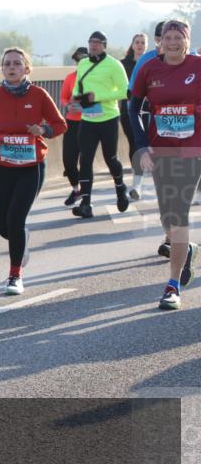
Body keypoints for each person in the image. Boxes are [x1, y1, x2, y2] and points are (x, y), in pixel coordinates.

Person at [0, 48, 67, 295]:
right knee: (4, 227)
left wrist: (42, 130)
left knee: (15, 218)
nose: (12, 67)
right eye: (7, 64)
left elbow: (60, 124)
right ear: (2, 69)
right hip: (2, 168)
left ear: (27, 68)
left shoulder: (39, 95)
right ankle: (22, 236)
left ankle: (15, 276)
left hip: (31, 168)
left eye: (17, 64)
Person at [128, 20, 201, 309]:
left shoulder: (198, 66)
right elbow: (133, 108)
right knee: (167, 217)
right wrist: (142, 145)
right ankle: (187, 249)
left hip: (192, 150)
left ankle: (172, 286)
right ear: (160, 42)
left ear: (187, 41)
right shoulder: (148, 68)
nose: (172, 42)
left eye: (178, 37)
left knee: (179, 213)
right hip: (160, 150)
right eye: (168, 37)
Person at [70, 31, 130, 219]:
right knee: (85, 159)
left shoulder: (114, 64)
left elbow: (124, 91)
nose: (93, 45)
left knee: (110, 158)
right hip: (88, 118)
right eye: (91, 42)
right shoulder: (83, 63)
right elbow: (78, 86)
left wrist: (98, 97)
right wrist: (76, 97)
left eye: (97, 42)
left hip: (108, 118)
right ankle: (86, 203)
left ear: (104, 45)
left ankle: (120, 188)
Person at [120, 33, 149, 199]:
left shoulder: (151, 62)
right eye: (137, 42)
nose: (139, 45)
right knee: (134, 143)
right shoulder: (123, 64)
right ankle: (137, 181)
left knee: (147, 144)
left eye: (143, 42)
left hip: (149, 109)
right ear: (132, 45)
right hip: (129, 110)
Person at [60, 47, 88, 206]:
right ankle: (76, 189)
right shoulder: (70, 78)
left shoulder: (96, 78)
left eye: (84, 59)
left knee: (85, 161)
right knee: (68, 160)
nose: (81, 62)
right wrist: (67, 105)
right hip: (71, 122)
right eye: (78, 60)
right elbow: (63, 97)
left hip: (89, 122)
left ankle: (86, 194)